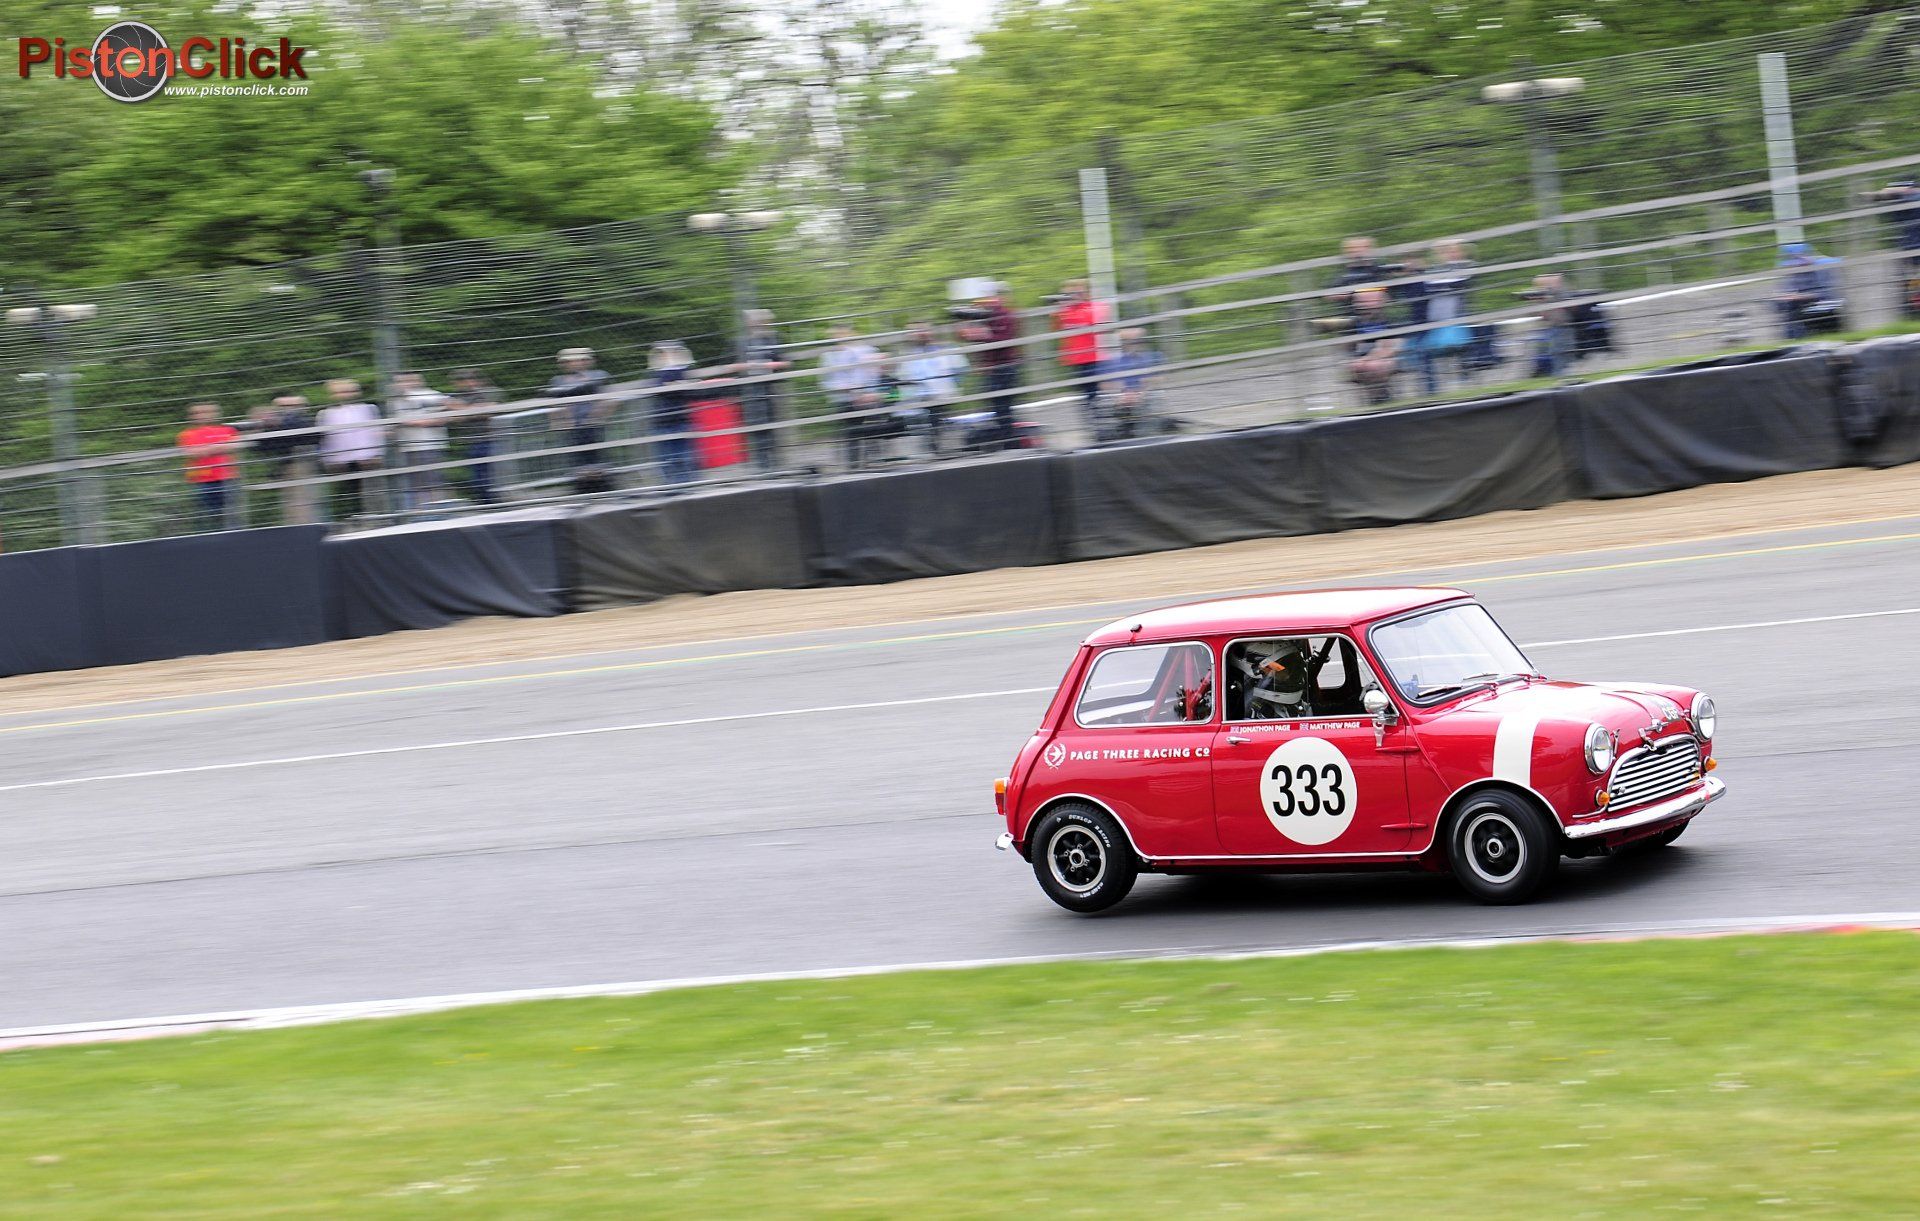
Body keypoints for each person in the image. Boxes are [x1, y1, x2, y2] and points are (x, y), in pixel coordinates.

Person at [955, 284, 1022, 448]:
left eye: (992, 297)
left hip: (1005, 366)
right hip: (992, 368)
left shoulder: (1005, 315)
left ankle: (1011, 443)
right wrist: (967, 326)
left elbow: (1003, 340)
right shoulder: (986, 315)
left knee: (1003, 407)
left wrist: (982, 335)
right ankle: (1008, 441)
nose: (988, 301)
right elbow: (971, 338)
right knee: (998, 407)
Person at [1407, 241, 1475, 395]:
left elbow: (1455, 283)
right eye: (1444, 252)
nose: (1450, 255)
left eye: (1453, 251)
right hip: (1434, 324)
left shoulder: (1465, 269)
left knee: (1457, 346)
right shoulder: (1433, 272)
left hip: (1455, 322)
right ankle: (1431, 390)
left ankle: (1465, 381)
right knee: (1420, 349)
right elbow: (1423, 289)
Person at [818, 324, 887, 469]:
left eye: (844, 333)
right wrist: (848, 390)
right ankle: (854, 464)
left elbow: (875, 374)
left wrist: (869, 392)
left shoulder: (866, 350)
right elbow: (827, 382)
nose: (841, 337)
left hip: (868, 397)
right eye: (837, 335)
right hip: (845, 399)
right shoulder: (829, 356)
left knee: (876, 419)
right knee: (852, 427)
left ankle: (875, 459)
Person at [317, 378, 385, 520]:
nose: (346, 395)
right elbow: (325, 438)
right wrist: (328, 459)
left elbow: (377, 431)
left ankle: (377, 517)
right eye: (341, 392)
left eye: (349, 391)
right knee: (349, 492)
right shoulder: (326, 413)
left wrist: (379, 453)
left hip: (367, 456)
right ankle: (352, 518)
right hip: (341, 459)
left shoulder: (368, 409)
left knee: (372, 490)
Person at [895, 322, 968, 455]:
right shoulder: (910, 355)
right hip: (922, 395)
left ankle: (936, 446)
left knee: (935, 417)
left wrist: (954, 383)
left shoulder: (943, 349)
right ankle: (934, 446)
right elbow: (904, 376)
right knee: (929, 418)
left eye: (924, 331)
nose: (921, 334)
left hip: (939, 393)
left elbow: (960, 367)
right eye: (917, 332)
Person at [249, 394, 320, 524]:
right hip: (287, 466)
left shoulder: (302, 421)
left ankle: (307, 526)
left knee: (304, 501)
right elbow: (263, 446)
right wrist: (259, 429)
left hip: (301, 464)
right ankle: (298, 527)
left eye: (292, 406)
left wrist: (272, 424)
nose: (288, 410)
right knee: (291, 502)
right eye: (283, 407)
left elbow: (303, 433)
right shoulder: (275, 425)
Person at [1051, 279, 1109, 437]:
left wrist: (1067, 309)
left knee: (1094, 394)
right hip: (1077, 359)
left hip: (1093, 357)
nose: (1072, 296)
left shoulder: (1094, 307)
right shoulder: (1066, 310)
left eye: (1076, 293)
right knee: (1086, 396)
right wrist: (1061, 308)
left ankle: (1101, 428)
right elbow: (1057, 326)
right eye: (1069, 294)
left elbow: (1089, 320)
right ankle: (1094, 428)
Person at [738, 310, 790, 472]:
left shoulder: (773, 339)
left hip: (770, 387)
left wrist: (768, 365)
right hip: (751, 389)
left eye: (760, 321)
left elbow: (785, 362)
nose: (756, 324)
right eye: (753, 321)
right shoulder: (743, 342)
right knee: (757, 427)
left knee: (772, 426)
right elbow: (734, 365)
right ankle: (763, 466)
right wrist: (747, 367)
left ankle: (775, 464)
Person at [445, 368, 506, 504]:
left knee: (495, 470)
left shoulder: (490, 392)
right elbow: (454, 418)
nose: (466, 383)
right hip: (471, 440)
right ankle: (486, 501)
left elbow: (489, 411)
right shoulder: (454, 396)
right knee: (478, 473)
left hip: (492, 438)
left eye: (469, 379)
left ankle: (498, 500)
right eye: (460, 381)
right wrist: (473, 410)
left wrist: (462, 409)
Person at [388, 372, 449, 509]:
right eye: (398, 382)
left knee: (433, 479)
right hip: (407, 447)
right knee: (415, 481)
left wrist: (413, 422)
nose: (401, 385)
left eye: (406, 381)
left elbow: (444, 416)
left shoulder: (431, 395)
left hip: (429, 445)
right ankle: (421, 510)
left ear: (418, 381)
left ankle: (439, 508)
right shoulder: (396, 401)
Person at [177, 402, 241, 532]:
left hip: (228, 477)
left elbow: (235, 446)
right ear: (191, 416)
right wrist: (219, 447)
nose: (202, 415)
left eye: (207, 412)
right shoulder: (187, 434)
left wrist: (207, 449)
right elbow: (192, 453)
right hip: (201, 480)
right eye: (197, 413)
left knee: (231, 513)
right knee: (206, 514)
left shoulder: (227, 430)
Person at [545, 346, 612, 468]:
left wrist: (597, 414)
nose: (576, 363)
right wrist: (556, 420)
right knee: (575, 458)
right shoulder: (557, 380)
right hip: (570, 426)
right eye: (570, 361)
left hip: (593, 423)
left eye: (581, 360)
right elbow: (554, 403)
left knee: (597, 456)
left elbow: (606, 396)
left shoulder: (599, 375)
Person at [648, 340, 699, 485]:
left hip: (681, 419)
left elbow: (687, 389)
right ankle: (672, 486)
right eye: (665, 352)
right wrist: (676, 384)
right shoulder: (654, 372)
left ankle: (687, 484)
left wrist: (677, 384)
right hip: (662, 421)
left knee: (684, 456)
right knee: (667, 458)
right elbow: (660, 387)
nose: (668, 355)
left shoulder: (683, 369)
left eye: (672, 351)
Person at [1099, 328, 1164, 439]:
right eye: (1128, 341)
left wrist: (1141, 390)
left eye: (1137, 341)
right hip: (1122, 396)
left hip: (1143, 394)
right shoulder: (1114, 360)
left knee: (1149, 401)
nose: (1134, 344)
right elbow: (1103, 384)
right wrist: (1123, 392)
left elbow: (1159, 378)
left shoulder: (1151, 357)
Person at [1774, 243, 1844, 339]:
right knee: (1784, 307)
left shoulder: (1820, 268)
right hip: (1805, 305)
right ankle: (1792, 339)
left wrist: (1800, 296)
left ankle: (1796, 338)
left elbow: (1824, 293)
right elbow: (1788, 289)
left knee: (1794, 312)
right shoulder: (1796, 273)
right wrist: (1784, 296)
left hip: (1825, 304)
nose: (1797, 265)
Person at [1345, 287, 1401, 405]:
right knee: (1359, 366)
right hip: (1364, 359)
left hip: (1386, 357)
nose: (1365, 308)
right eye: (1361, 304)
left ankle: (1380, 397)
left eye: (1369, 304)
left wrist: (1370, 357)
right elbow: (1349, 347)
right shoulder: (1354, 324)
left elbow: (1392, 347)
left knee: (1375, 366)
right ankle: (1376, 397)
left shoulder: (1390, 321)